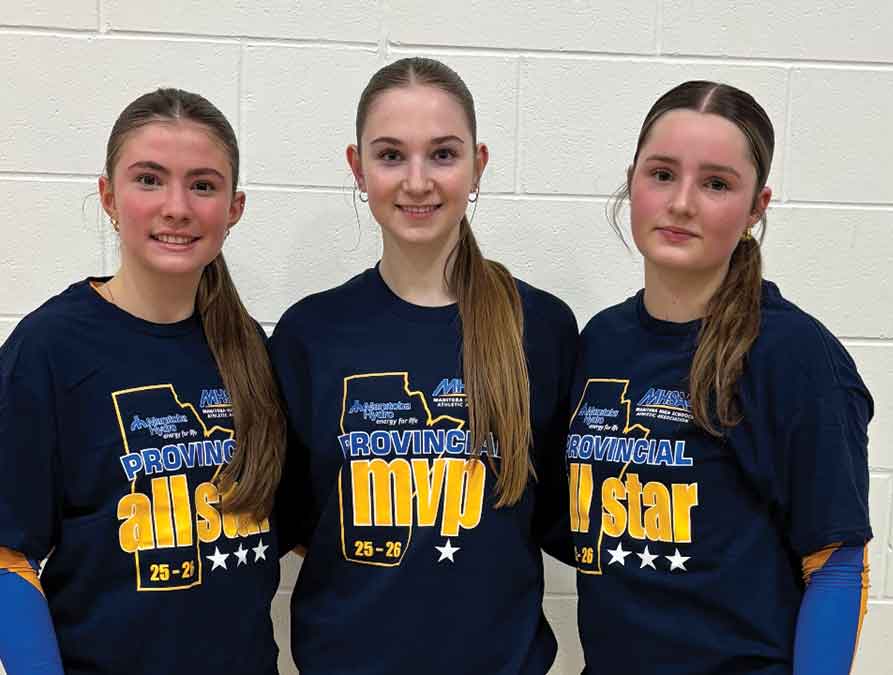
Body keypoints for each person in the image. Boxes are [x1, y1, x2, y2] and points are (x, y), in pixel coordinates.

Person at [269, 57, 577, 674]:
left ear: (478, 165)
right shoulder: (311, 333)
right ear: (357, 168)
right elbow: (302, 517)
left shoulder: (541, 329)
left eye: (442, 154)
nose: (417, 181)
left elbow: (552, 516)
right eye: (390, 156)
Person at [567, 80, 872, 674]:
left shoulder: (794, 355)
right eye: (661, 174)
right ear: (632, 180)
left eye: (715, 184)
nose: (681, 203)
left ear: (757, 206)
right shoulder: (601, 342)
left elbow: (836, 568)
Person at [0, 88, 286, 675]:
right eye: (149, 179)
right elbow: (7, 552)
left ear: (234, 208)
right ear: (108, 196)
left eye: (203, 185)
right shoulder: (49, 349)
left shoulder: (251, 348)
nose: (177, 207)